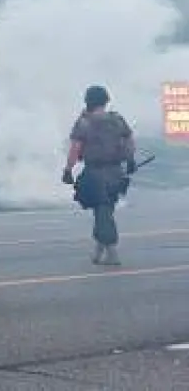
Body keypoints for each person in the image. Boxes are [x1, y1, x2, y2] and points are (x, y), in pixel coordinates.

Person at [61, 85, 137, 266]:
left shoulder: (84, 122)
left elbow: (75, 148)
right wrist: (130, 160)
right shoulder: (117, 120)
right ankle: (99, 249)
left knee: (102, 210)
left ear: (88, 101)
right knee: (104, 209)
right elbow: (129, 141)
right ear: (105, 101)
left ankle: (111, 252)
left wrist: (68, 170)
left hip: (95, 172)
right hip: (115, 172)